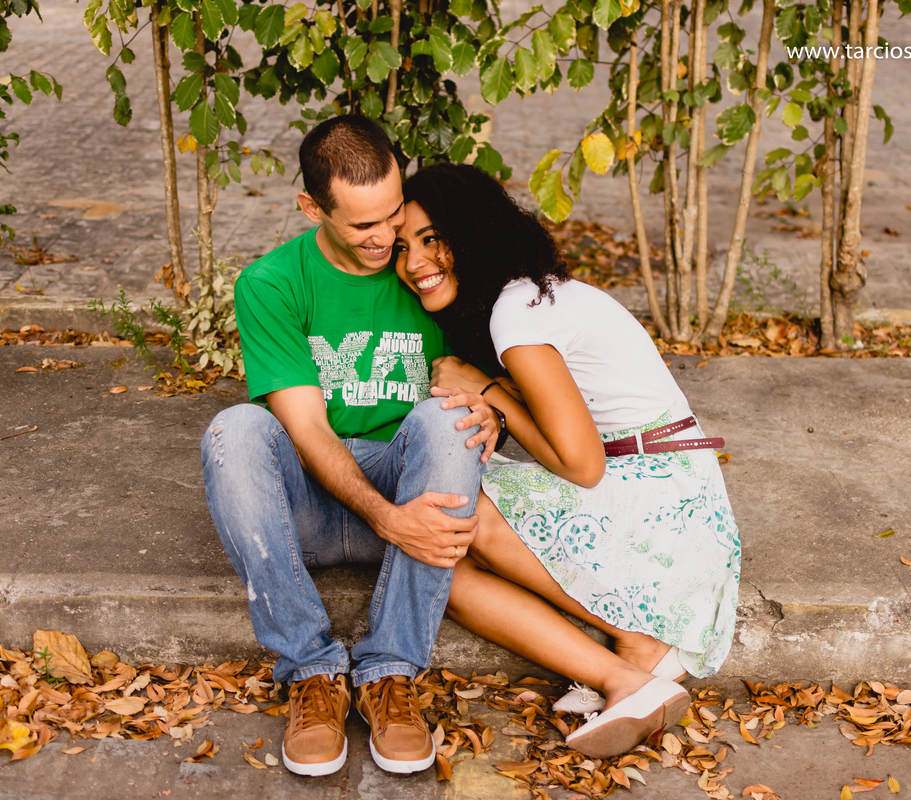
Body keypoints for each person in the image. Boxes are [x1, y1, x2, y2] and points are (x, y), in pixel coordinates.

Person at [393, 162, 741, 759]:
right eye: (402, 247)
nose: (414, 262)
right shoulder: (521, 299)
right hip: (657, 490)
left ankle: (639, 641)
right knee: (445, 570)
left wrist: (487, 388)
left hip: (663, 502)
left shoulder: (517, 310)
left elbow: (582, 466)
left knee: (460, 511)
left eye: (431, 238)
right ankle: (625, 676)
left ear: (472, 233)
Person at [201, 117, 499, 778]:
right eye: (363, 226)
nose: (386, 239)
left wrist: (492, 408)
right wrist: (387, 517)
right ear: (312, 208)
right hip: (314, 507)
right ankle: (311, 670)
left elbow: (491, 370)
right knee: (234, 430)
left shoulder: (425, 270)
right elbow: (305, 431)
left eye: (393, 215)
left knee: (449, 421)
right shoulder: (271, 283)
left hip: (411, 497)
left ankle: (391, 671)